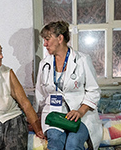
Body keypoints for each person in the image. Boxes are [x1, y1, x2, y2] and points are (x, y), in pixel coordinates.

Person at [35, 21, 103, 150]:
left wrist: (80, 111)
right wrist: (37, 121)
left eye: (47, 39)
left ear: (60, 38)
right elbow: (40, 93)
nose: (44, 44)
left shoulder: (82, 60)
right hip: (54, 114)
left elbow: (93, 91)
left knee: (73, 144)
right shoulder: (45, 64)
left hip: (80, 116)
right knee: (55, 141)